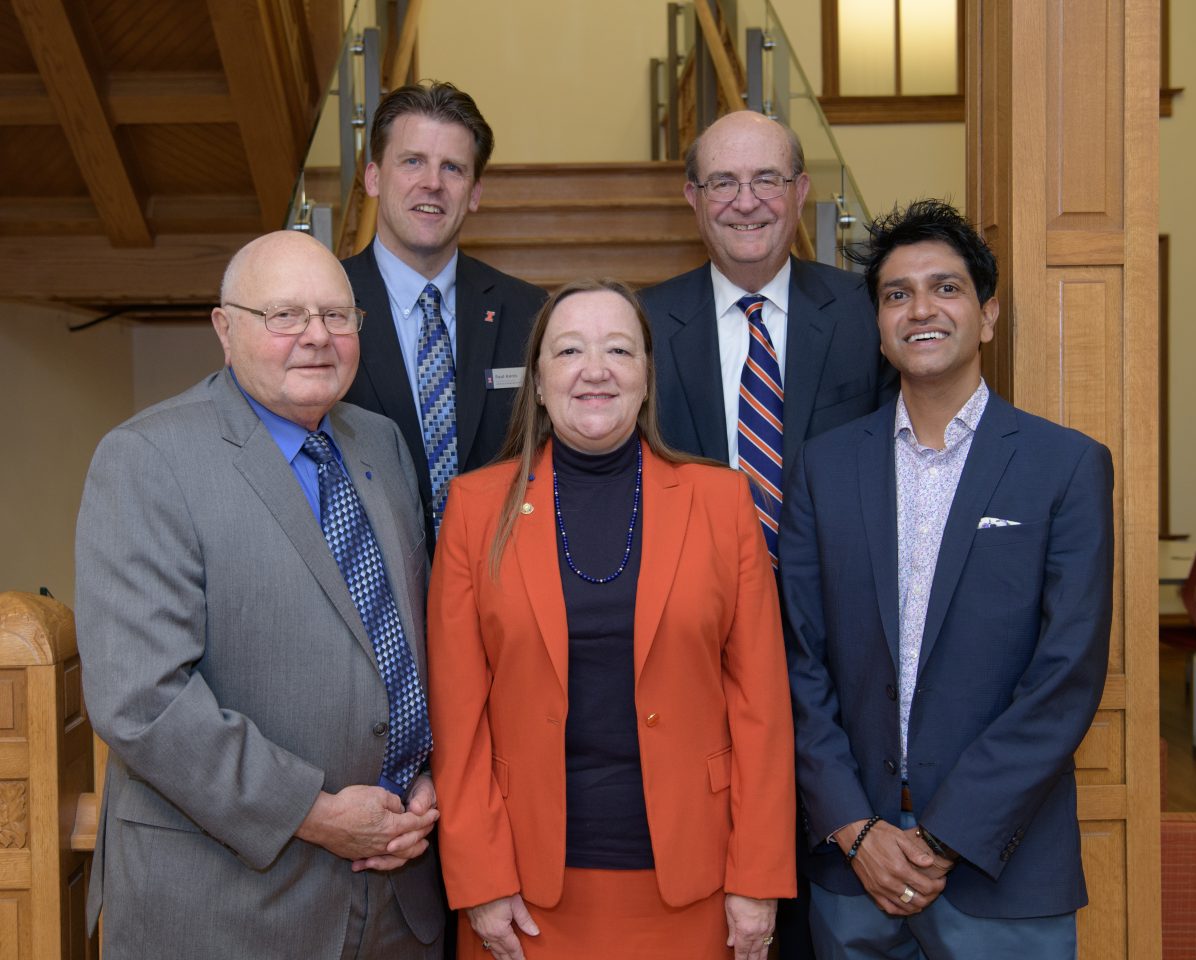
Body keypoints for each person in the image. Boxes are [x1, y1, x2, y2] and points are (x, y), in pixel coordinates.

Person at [75, 231, 444, 959]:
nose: (317, 337)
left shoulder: (380, 444)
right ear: (225, 328)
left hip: (396, 894)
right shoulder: (148, 459)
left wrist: (431, 771)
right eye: (285, 316)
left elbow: (411, 640)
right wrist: (312, 811)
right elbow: (142, 699)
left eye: (338, 316)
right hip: (230, 903)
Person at [419, 279, 796, 959]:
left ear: (648, 376)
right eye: (569, 351)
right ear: (537, 382)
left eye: (619, 349)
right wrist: (478, 877)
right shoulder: (475, 509)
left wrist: (758, 876)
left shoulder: (722, 503)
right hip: (524, 894)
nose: (595, 369)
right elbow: (457, 714)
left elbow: (762, 706)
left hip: (695, 883)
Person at [780, 200, 1113, 959]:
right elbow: (796, 659)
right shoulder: (825, 469)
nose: (920, 308)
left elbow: (1066, 675)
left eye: (946, 288)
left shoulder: (1064, 467)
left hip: (1005, 872)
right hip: (853, 868)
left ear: (988, 316)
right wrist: (855, 829)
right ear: (879, 325)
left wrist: (944, 836)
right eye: (897, 294)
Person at [640, 110, 897, 570]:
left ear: (799, 193)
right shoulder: (642, 325)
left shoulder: (865, 312)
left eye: (766, 180)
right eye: (722, 182)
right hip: (694, 598)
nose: (745, 202)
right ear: (692, 198)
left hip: (835, 600)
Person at [342, 80, 547, 553]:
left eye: (452, 168)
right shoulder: (324, 308)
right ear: (373, 178)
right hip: (369, 590)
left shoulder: (530, 312)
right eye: (412, 161)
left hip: (501, 582)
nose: (431, 182)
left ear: (474, 193)